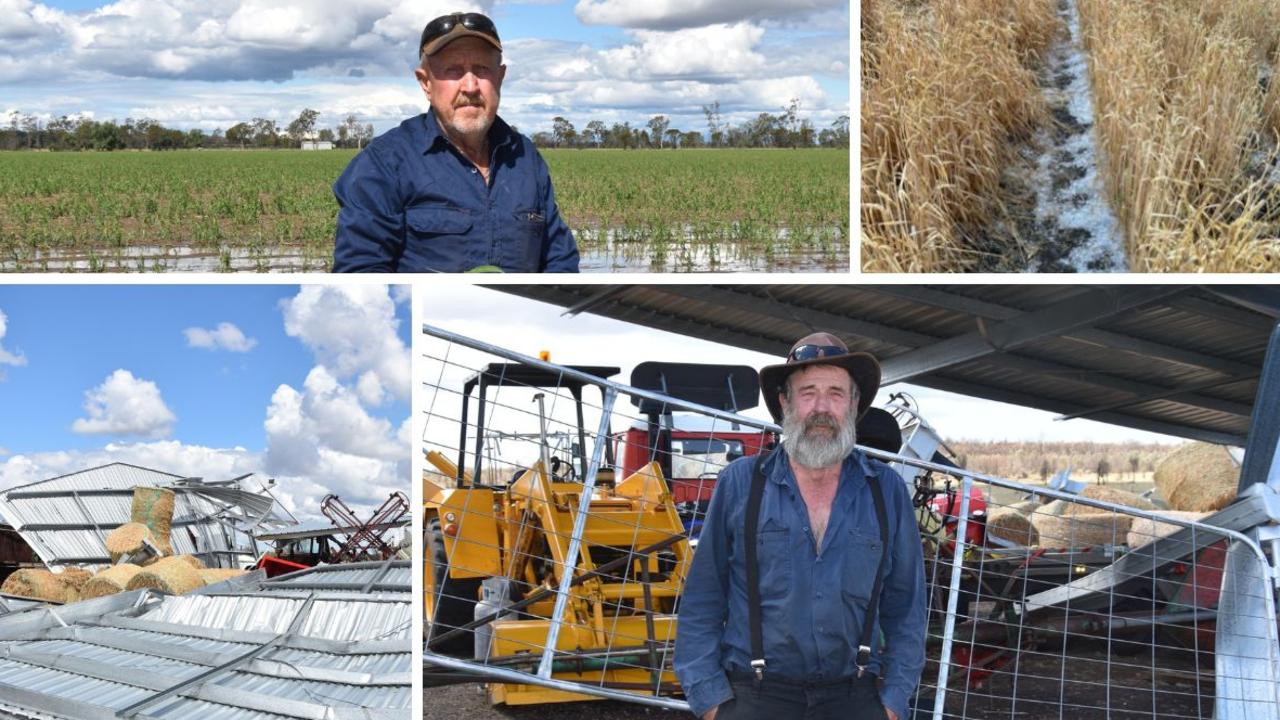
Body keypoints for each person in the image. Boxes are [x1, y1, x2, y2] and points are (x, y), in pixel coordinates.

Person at [675, 332, 927, 720]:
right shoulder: (741, 483)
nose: (821, 408)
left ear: (854, 405)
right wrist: (710, 702)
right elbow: (703, 598)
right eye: (808, 392)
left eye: (836, 393)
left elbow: (906, 605)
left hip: (856, 698)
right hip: (755, 698)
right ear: (785, 402)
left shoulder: (885, 490)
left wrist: (893, 702)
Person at [332, 12, 580, 273]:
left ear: (500, 77)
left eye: (482, 69)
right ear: (426, 83)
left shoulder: (525, 158)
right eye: (453, 70)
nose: (470, 86)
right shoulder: (384, 163)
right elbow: (360, 271)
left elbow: (560, 260)